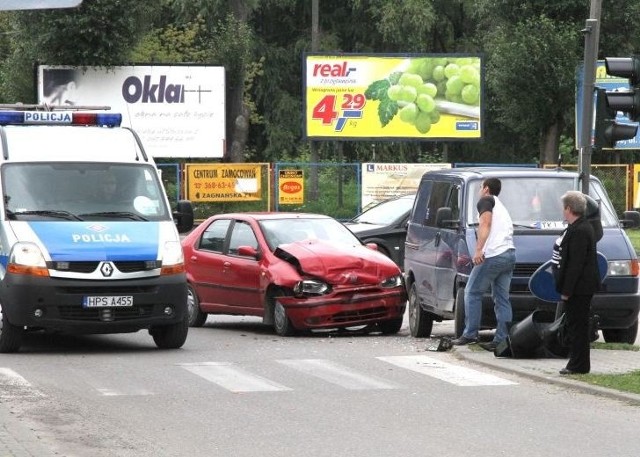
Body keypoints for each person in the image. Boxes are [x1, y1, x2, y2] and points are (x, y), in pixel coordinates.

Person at [452, 178, 516, 351]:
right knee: (502, 298)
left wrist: (479, 249)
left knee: (472, 292)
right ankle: (501, 339)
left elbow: (485, 223)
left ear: (486, 189)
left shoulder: (486, 201)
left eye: (481, 187)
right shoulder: (501, 206)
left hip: (493, 254)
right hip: (509, 253)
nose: (480, 190)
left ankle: (470, 334)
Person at [553, 191, 600, 375]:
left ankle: (578, 365)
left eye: (564, 208)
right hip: (581, 286)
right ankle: (579, 363)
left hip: (580, 287)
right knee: (576, 325)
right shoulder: (579, 227)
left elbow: (575, 264)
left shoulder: (580, 230)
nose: (563, 211)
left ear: (569, 209)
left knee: (577, 326)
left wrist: (567, 290)